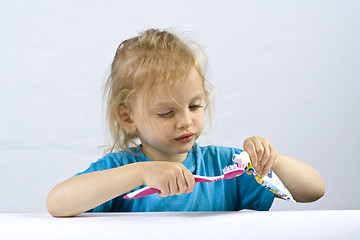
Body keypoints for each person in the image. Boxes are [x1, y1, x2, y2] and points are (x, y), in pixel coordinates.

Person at [46, 29, 325, 217]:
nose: (186, 121)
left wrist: (270, 160)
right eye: (167, 113)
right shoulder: (121, 171)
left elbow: (313, 191)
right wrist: (141, 174)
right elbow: (57, 203)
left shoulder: (225, 166)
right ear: (128, 117)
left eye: (194, 105)